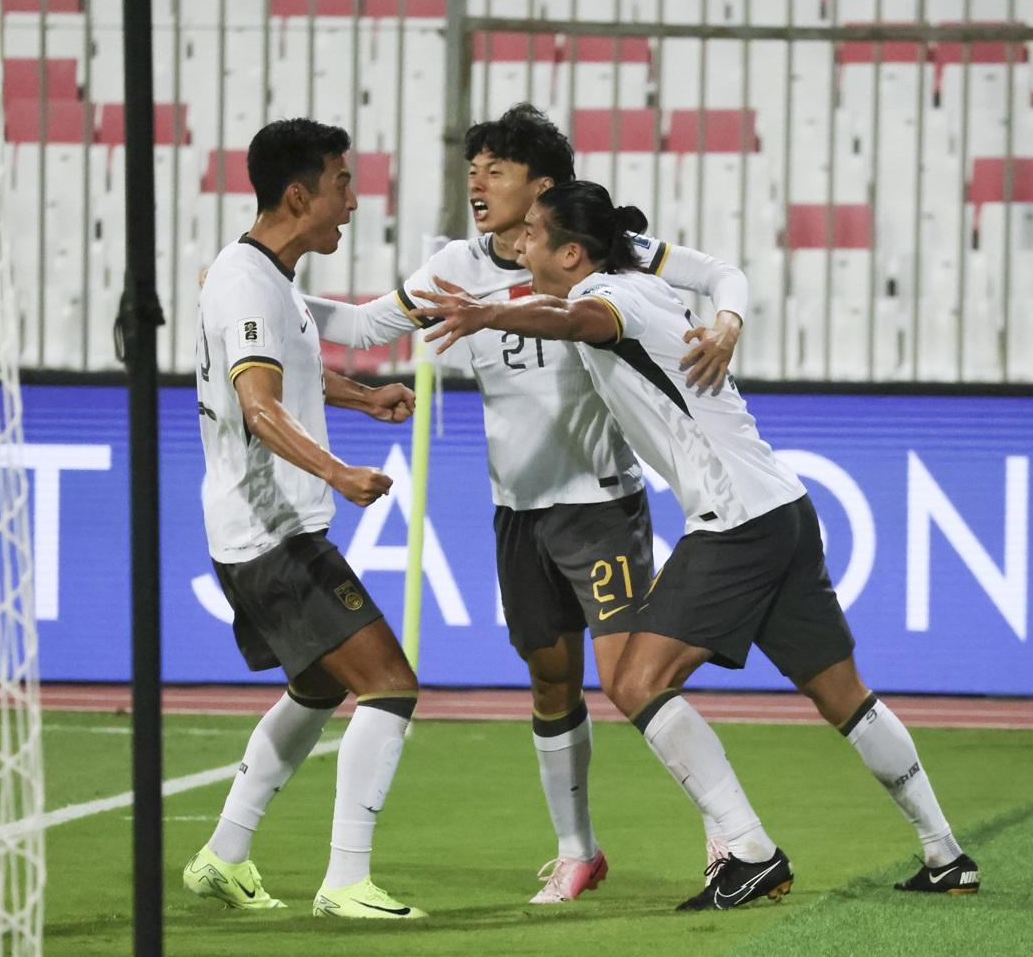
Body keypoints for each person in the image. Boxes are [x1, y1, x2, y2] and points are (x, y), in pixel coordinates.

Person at [410, 180, 981, 910]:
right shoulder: (637, 280)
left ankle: (750, 850)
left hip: (735, 521)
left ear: (573, 253)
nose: (520, 247)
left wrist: (488, 311)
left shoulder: (612, 296)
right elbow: (693, 280)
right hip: (781, 508)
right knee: (844, 695)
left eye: (534, 236)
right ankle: (945, 852)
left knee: (636, 682)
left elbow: (577, 318)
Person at [305, 103, 750, 903]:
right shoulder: (455, 265)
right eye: (472, 168)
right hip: (518, 511)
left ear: (542, 186)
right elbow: (367, 327)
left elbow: (719, 273)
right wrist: (278, 298)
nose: (477, 182)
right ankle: (578, 851)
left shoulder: (600, 250)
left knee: (633, 680)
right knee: (550, 682)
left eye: (496, 169)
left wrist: (726, 323)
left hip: (601, 504)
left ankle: (728, 832)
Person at [183, 117, 427, 920]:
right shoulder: (246, 283)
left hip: (258, 532)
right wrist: (337, 470)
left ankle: (222, 856)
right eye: (341, 184)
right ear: (298, 194)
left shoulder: (267, 276)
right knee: (389, 684)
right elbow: (259, 407)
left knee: (318, 684)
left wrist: (365, 396)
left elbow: (289, 374)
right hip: (270, 536)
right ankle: (346, 880)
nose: (351, 202)